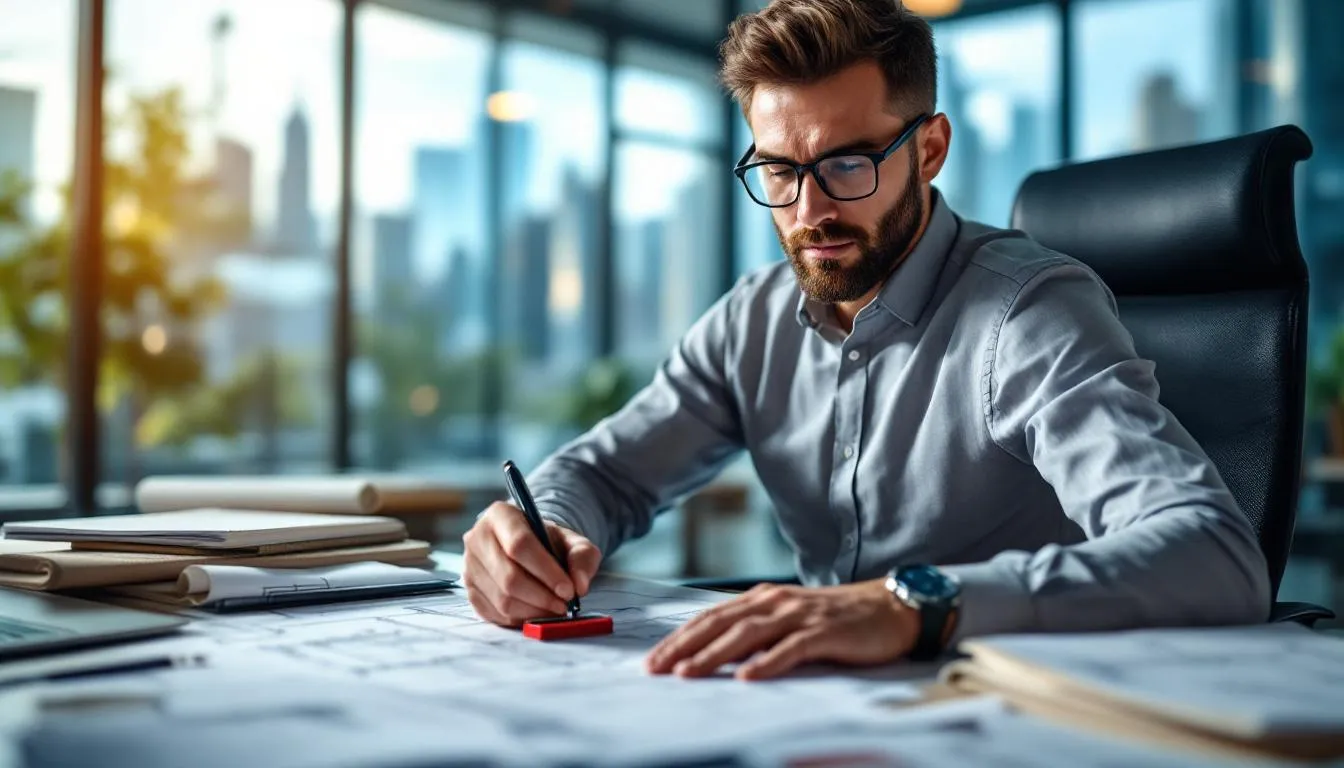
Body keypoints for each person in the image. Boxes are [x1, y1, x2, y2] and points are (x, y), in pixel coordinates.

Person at [461, 0, 1270, 680]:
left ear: (929, 150)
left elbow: (1214, 556)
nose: (809, 210)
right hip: (814, 703)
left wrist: (911, 605)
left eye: (847, 165)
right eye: (779, 171)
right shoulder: (755, 318)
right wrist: (540, 533)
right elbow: (608, 472)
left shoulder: (1027, 311)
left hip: (1011, 704)